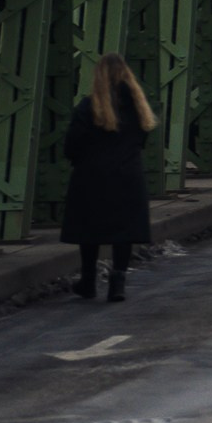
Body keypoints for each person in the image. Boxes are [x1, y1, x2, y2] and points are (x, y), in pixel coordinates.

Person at [60, 54, 156, 303]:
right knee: (123, 231)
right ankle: (118, 283)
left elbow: (72, 145)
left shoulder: (88, 107)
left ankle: (89, 281)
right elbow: (141, 141)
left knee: (88, 230)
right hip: (128, 177)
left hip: (91, 178)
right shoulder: (139, 108)